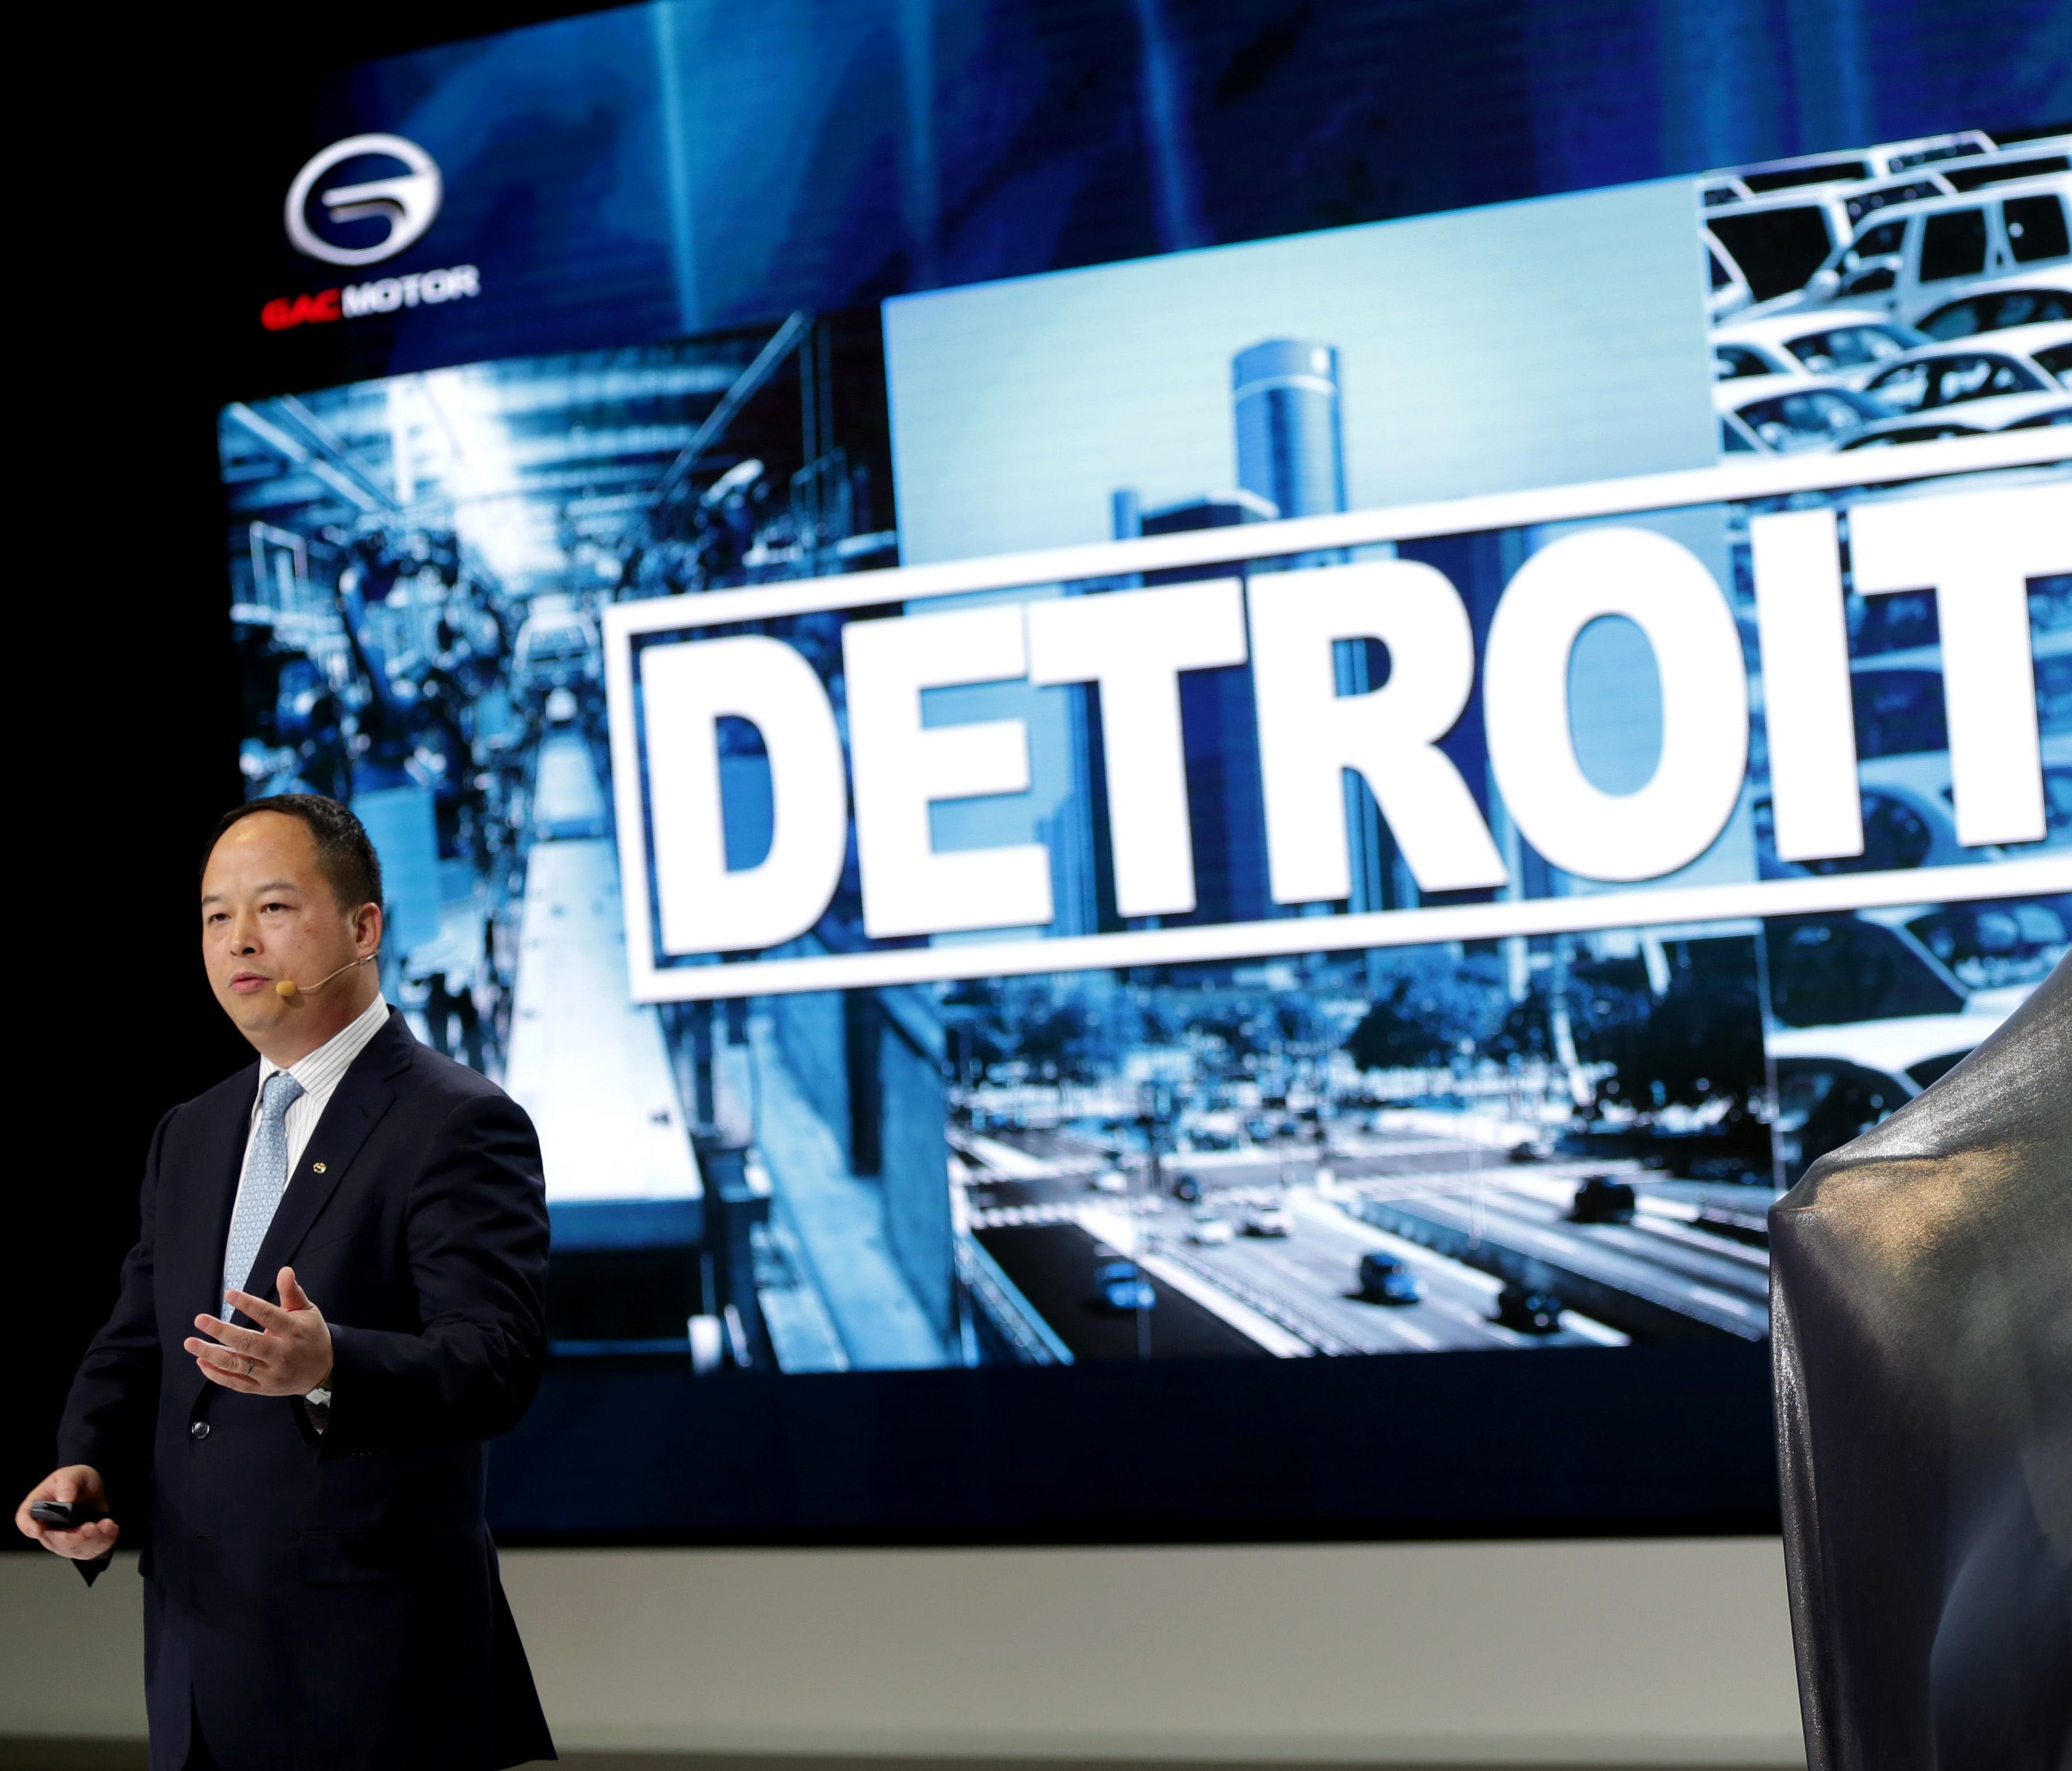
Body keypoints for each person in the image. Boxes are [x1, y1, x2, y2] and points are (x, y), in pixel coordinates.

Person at [16, 795, 556, 1771]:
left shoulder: (458, 1121)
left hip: (374, 1680)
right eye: (216, 915)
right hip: (198, 1665)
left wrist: (331, 1362)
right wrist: (85, 1461)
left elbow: (495, 1361)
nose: (237, 940)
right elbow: (140, 1339)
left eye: (271, 907)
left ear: (364, 927)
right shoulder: (191, 1131)